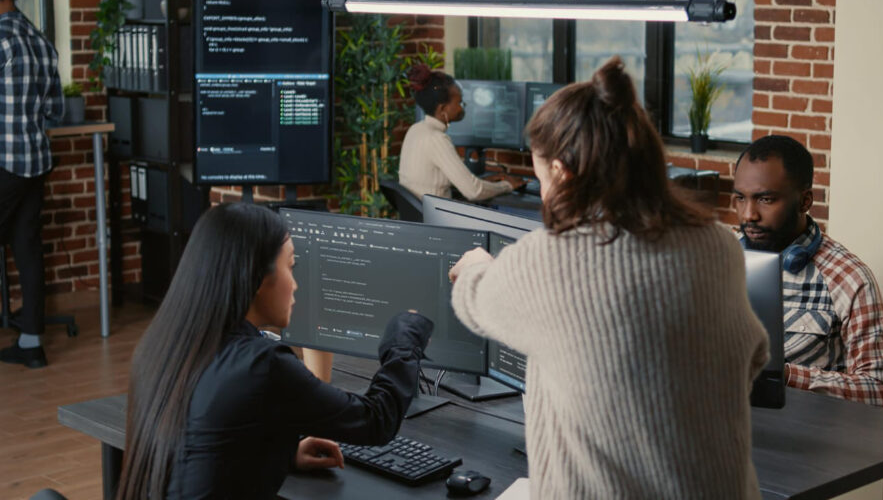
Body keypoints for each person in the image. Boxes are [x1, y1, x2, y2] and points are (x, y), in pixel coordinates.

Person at [448, 57, 769, 499]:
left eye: (541, 177)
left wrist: (475, 265)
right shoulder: (717, 244)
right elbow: (752, 356)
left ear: (561, 171)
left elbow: (474, 299)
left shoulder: (551, 258)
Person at [116, 203, 433, 500]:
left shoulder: (163, 345)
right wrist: (406, 333)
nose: (296, 285)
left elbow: (195, 449)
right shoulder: (261, 364)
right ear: (256, 279)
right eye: (291, 267)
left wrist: (284, 454)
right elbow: (376, 419)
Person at [732, 135, 883, 408]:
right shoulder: (719, 260)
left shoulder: (849, 278)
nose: (748, 214)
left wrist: (784, 375)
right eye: (740, 198)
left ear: (805, 201)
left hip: (807, 441)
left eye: (765, 199)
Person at [0, 0, 63, 369]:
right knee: (27, 249)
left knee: (24, 247)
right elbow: (55, 110)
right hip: (36, 161)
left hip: (3, 162)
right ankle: (31, 344)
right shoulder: (38, 39)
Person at [398, 64, 523, 201]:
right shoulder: (437, 139)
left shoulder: (416, 129)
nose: (463, 107)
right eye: (460, 103)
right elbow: (474, 192)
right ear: (443, 109)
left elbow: (432, 180)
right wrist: (507, 185)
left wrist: (483, 182)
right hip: (437, 220)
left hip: (421, 218)